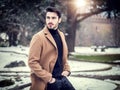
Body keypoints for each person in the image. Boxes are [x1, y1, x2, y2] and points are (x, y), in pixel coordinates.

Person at [28, 6, 75, 90]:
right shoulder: (38, 37)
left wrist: (67, 70)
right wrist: (49, 78)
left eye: (53, 18)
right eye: (48, 18)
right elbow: (32, 62)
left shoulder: (61, 35)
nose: (50, 21)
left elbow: (63, 58)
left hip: (62, 78)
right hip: (47, 82)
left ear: (59, 20)